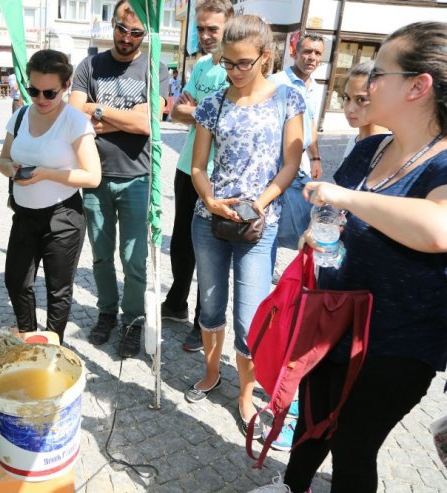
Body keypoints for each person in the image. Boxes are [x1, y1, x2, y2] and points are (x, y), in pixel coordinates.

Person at [253, 21, 447, 493]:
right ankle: (291, 485)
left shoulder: (442, 161)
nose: (366, 82)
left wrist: (344, 199)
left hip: (398, 343)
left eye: (380, 73)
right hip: (331, 318)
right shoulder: (369, 148)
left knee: (354, 444)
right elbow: (333, 217)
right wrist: (319, 236)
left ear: (418, 86)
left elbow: (437, 228)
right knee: (312, 419)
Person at [185, 15, 304, 441]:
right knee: (211, 306)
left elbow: (291, 162)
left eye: (243, 63)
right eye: (227, 63)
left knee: (251, 316)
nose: (234, 71)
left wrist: (262, 202)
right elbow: (199, 166)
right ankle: (213, 372)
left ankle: (246, 392)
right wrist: (208, 198)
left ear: (265, 58)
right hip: (211, 220)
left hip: (260, 224)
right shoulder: (213, 101)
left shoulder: (287, 99)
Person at [69, 0, 169, 358]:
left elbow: (148, 124)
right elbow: (73, 112)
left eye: (135, 32)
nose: (126, 38)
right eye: (120, 29)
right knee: (100, 255)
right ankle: (107, 312)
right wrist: (126, 116)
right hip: (94, 176)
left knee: (133, 258)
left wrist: (98, 111)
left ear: (145, 34)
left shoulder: (154, 67)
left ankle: (133, 319)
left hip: (137, 177)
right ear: (111, 26)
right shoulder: (90, 64)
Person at [0, 50, 101, 343]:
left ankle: (53, 345)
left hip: (62, 215)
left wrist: (46, 173)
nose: (41, 98)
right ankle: (28, 337)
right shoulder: (19, 116)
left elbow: (93, 176)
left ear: (67, 85)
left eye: (50, 92)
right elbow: (2, 159)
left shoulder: (75, 121)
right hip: (25, 214)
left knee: (58, 289)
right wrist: (11, 169)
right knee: (16, 280)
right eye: (33, 90)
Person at [162, 0, 232, 353]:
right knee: (181, 243)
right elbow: (176, 111)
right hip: (188, 164)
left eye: (212, 29)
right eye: (201, 28)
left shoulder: (234, 69)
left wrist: (195, 111)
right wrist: (195, 112)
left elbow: (227, 117)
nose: (205, 36)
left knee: (210, 246)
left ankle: (204, 321)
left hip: (219, 172)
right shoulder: (202, 65)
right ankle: (176, 303)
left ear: (229, 27)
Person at [269, 33, 325, 181]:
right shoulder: (276, 82)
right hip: (276, 159)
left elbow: (310, 123)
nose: (312, 57)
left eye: (317, 53)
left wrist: (316, 158)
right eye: (307, 51)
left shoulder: (315, 88)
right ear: (295, 54)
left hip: (302, 160)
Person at [341, 61, 389, 160]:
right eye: (347, 98)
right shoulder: (354, 141)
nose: (350, 109)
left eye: (361, 99)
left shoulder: (391, 148)